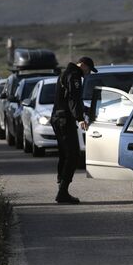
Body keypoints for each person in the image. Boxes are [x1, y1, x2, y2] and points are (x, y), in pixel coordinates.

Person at [51, 56, 97, 204]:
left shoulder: (66, 73)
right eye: (88, 70)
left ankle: (61, 187)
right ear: (83, 65)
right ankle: (63, 192)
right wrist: (80, 118)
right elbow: (73, 99)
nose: (88, 74)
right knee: (73, 155)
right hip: (64, 120)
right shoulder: (74, 75)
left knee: (65, 154)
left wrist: (85, 109)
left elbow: (71, 99)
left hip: (58, 118)